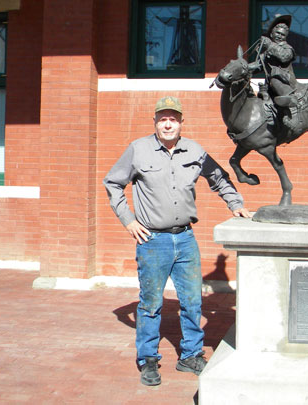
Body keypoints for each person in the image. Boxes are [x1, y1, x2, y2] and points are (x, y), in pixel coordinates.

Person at [103, 96, 252, 386]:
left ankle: (190, 355)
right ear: (155, 122)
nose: (168, 123)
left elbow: (219, 178)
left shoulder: (194, 150)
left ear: (181, 122)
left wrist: (235, 203)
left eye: (173, 118)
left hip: (185, 240)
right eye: (163, 118)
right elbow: (113, 183)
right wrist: (128, 221)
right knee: (150, 304)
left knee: (193, 301)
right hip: (152, 241)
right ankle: (147, 359)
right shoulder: (138, 150)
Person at [249, 15, 298, 108]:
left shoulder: (288, 48)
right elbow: (258, 65)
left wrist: (270, 44)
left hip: (286, 84)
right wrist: (242, 69)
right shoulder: (268, 51)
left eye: (282, 35)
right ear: (271, 34)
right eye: (278, 33)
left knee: (275, 80)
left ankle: (291, 110)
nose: (279, 36)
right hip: (270, 87)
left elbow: (284, 56)